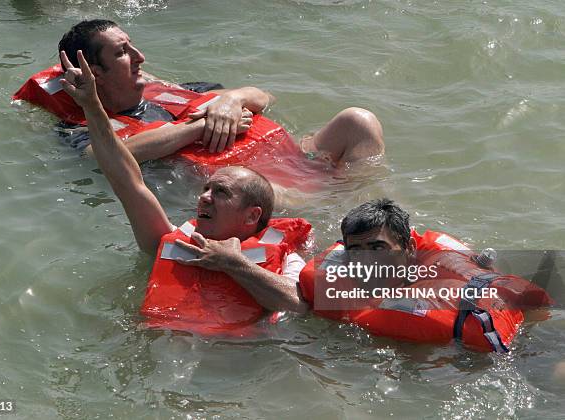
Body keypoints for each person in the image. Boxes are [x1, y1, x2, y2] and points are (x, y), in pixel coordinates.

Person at [59, 50, 308, 333]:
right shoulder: (166, 243)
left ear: (252, 216)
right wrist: (92, 106)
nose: (203, 197)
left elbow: (300, 303)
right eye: (206, 188)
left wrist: (234, 264)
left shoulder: (286, 257)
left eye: (221, 192)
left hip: (240, 365)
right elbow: (126, 181)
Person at [57, 19, 384, 166]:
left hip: (298, 156)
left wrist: (231, 100)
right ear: (94, 73)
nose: (140, 56)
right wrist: (201, 125)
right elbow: (101, 158)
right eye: (123, 52)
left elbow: (265, 97)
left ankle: (370, 214)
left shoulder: (174, 92)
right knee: (252, 187)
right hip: (261, 185)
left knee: (358, 121)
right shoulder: (86, 128)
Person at [298, 198, 552, 352]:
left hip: (520, 346)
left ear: (410, 248)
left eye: (378, 248)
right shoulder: (437, 255)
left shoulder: (384, 305)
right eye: (356, 251)